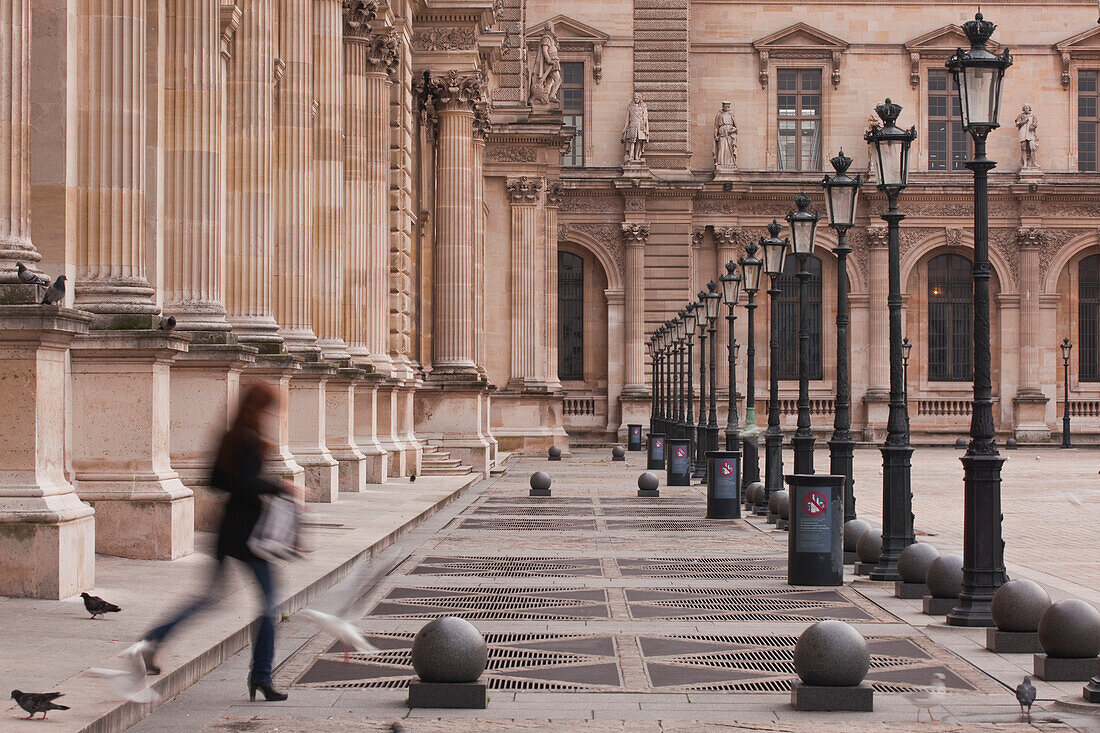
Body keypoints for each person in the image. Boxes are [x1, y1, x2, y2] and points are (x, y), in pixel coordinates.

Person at [140, 383, 297, 702]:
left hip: (230, 532)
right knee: (268, 606)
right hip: (248, 536)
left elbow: (216, 480)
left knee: (212, 599)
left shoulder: (232, 435)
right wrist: (278, 486)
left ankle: (153, 640)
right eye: (270, 408)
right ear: (260, 408)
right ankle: (262, 676)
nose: (272, 414)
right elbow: (240, 483)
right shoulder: (248, 440)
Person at [1016, 104, 1039, 170]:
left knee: (1032, 148)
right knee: (1023, 147)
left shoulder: (1033, 116)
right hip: (1023, 131)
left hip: (1030, 132)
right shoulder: (1021, 115)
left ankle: (1034, 162)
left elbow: (1036, 123)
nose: (1026, 109)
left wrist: (1033, 126)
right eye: (1025, 108)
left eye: (1027, 108)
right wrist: (1023, 121)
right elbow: (1017, 123)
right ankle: (1025, 163)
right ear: (1024, 108)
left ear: (1029, 108)